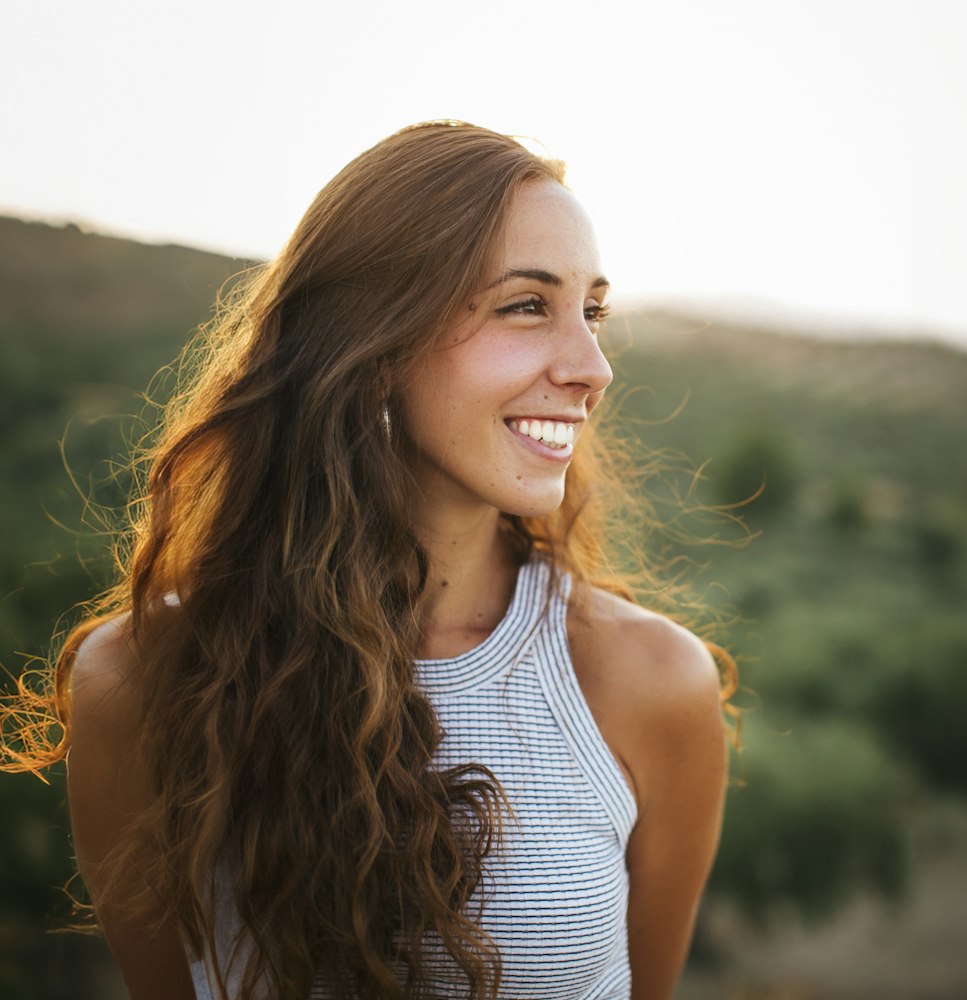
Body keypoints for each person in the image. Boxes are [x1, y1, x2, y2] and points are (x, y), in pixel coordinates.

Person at [4, 121, 734, 999]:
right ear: (376, 343)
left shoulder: (650, 683)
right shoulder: (138, 681)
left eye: (592, 311)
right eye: (526, 304)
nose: (593, 366)